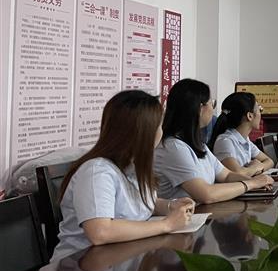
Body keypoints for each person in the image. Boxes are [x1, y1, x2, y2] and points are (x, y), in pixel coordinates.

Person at [53, 90, 195, 260]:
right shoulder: (97, 171)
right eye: (159, 126)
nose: (161, 131)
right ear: (144, 132)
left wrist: (171, 206)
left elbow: (140, 203)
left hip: (121, 258)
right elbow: (100, 231)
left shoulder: (132, 165)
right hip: (81, 265)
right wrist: (167, 224)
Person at [154, 79, 273, 204]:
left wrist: (257, 183)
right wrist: (251, 184)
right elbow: (206, 194)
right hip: (185, 214)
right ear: (200, 109)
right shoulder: (173, 147)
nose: (213, 109)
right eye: (212, 103)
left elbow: (227, 175)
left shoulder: (197, 144)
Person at [208, 92, 274, 177]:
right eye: (260, 110)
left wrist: (257, 168)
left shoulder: (245, 139)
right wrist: (256, 167)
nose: (261, 114)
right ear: (250, 116)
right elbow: (238, 173)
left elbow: (269, 161)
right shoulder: (225, 141)